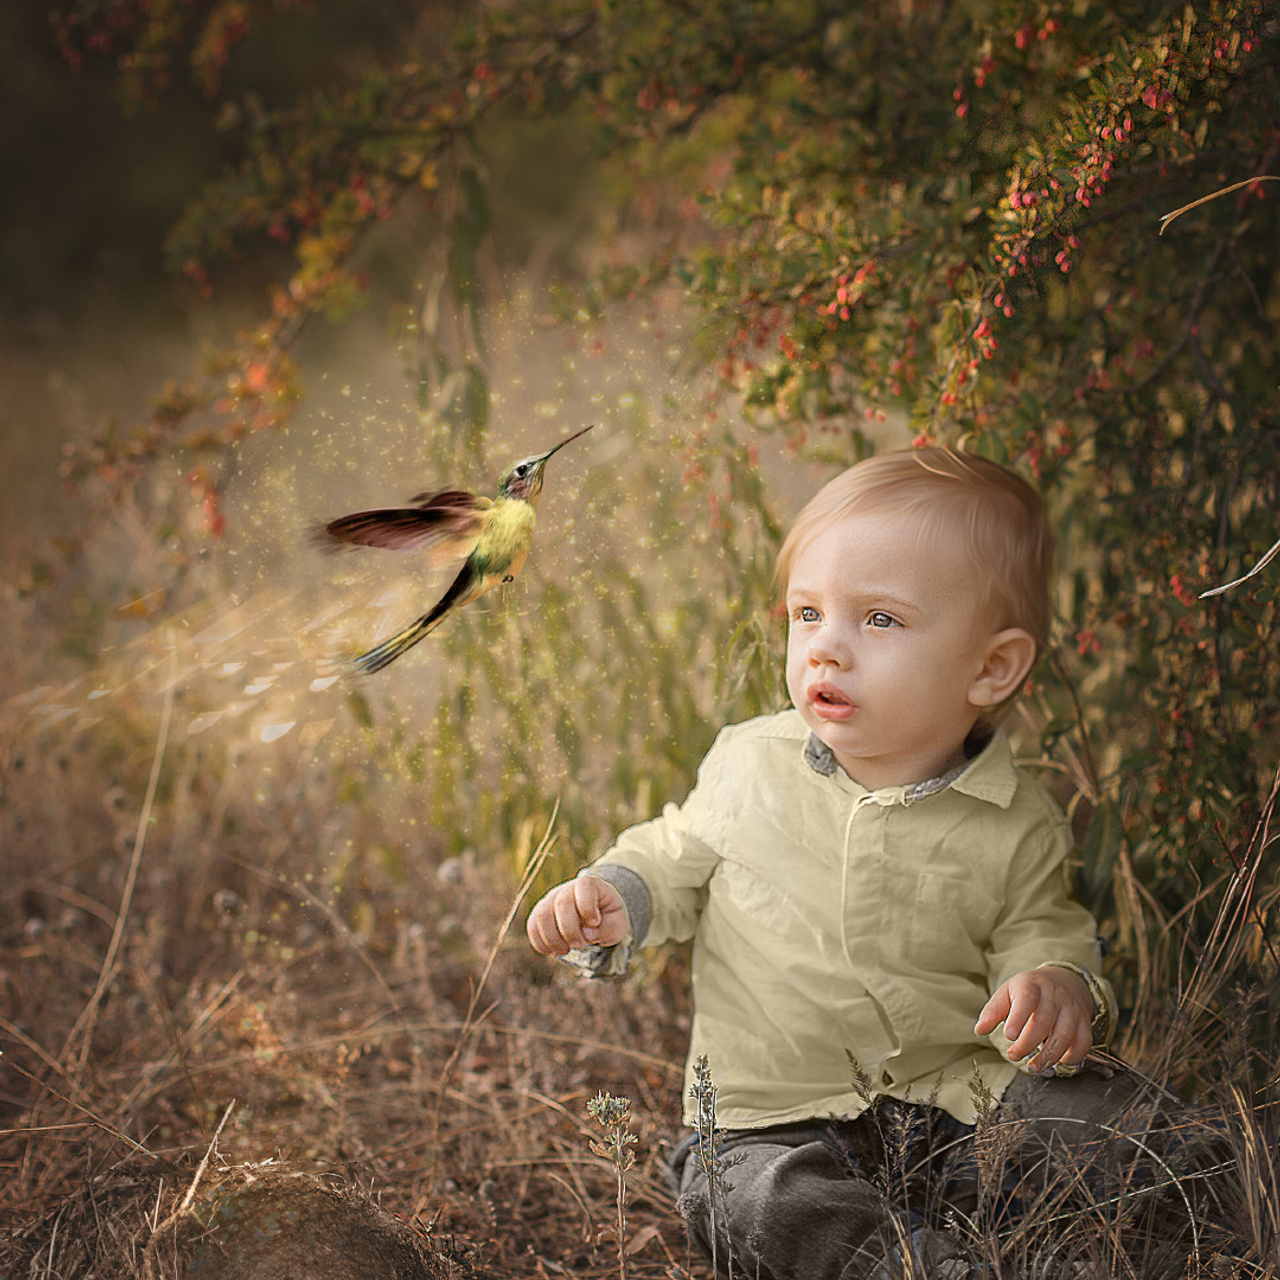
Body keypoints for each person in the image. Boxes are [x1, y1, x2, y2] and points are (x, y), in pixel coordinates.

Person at [526, 448, 1188, 1278]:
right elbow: (672, 855)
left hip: (959, 1107)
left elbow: (1040, 927)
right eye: (807, 613)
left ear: (991, 667)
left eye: (879, 620)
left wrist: (1053, 984)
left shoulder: (1018, 819)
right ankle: (918, 1268)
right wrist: (617, 894)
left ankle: (1213, 1214)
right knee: (755, 1204)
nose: (826, 650)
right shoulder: (748, 764)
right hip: (769, 1121)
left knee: (1136, 1131)